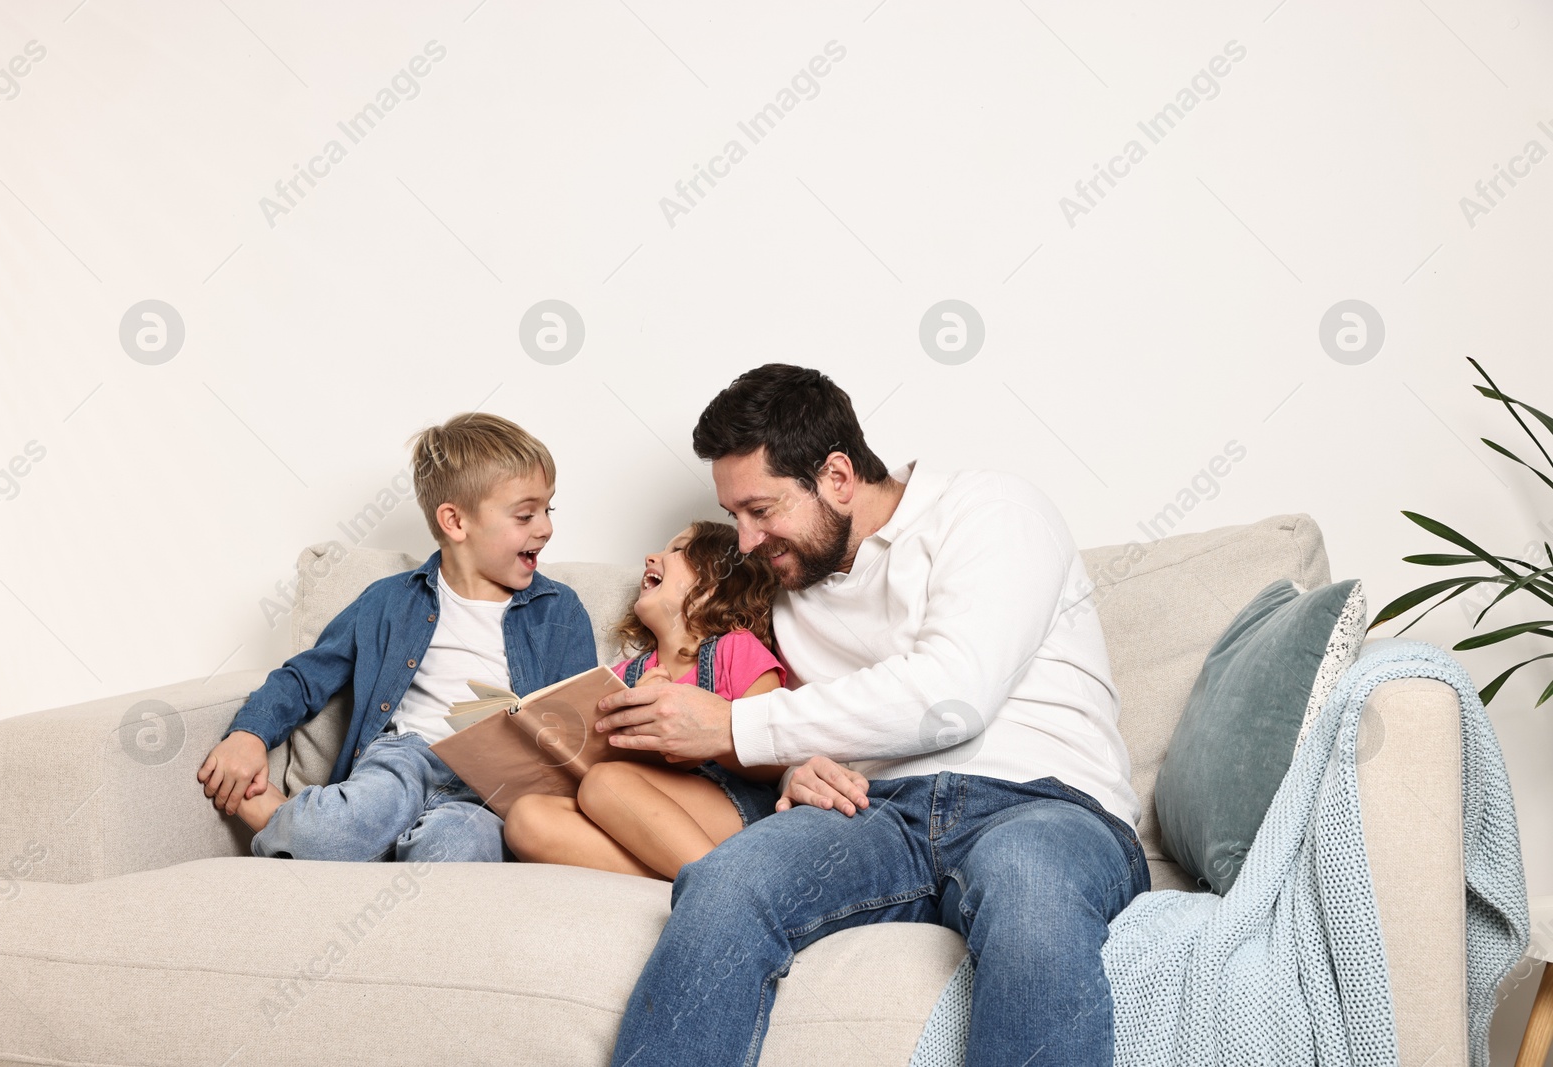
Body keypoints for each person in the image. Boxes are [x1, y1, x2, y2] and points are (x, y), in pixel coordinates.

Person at [592, 365, 1146, 1067]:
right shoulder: (785, 590)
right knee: (727, 881)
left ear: (838, 475)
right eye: (735, 515)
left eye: (761, 509)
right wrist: (794, 761)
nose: (748, 538)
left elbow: (953, 693)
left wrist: (737, 727)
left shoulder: (991, 509)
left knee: (1028, 884)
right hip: (876, 815)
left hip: (1045, 803)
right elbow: (788, 713)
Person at [196, 412, 597, 864]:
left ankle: (384, 852)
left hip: (489, 791)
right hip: (403, 762)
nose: (544, 527)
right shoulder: (389, 602)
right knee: (335, 832)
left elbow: (576, 725)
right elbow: (306, 677)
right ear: (455, 522)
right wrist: (250, 733)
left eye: (549, 509)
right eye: (526, 514)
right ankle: (290, 821)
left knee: (456, 851)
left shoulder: (560, 611)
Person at [504, 521, 787, 880]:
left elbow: (774, 752)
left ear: (714, 583)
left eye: (677, 550)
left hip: (728, 808)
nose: (650, 557)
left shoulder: (735, 648)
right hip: (641, 817)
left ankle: (727, 888)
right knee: (526, 819)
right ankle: (689, 873)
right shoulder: (621, 676)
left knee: (604, 782)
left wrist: (705, 741)